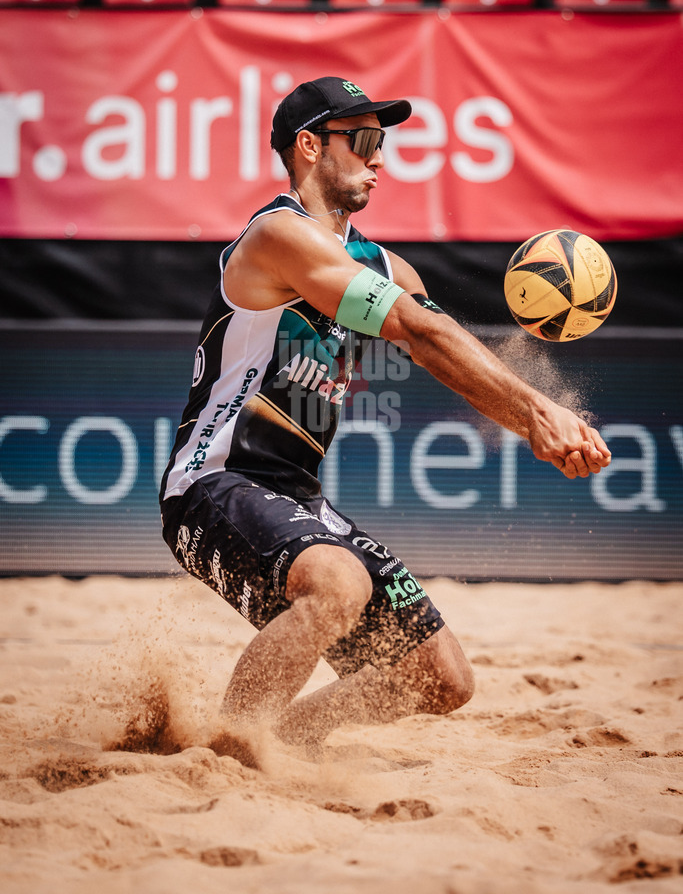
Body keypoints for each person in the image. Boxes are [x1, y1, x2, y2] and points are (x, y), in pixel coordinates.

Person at [159, 75, 611, 768]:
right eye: (363, 140)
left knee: (440, 679)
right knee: (338, 585)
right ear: (309, 147)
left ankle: (274, 739)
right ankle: (226, 754)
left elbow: (437, 342)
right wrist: (536, 415)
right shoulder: (279, 237)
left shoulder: (379, 263)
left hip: (298, 498)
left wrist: (543, 414)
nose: (380, 158)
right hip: (214, 483)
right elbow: (413, 327)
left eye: (382, 141)